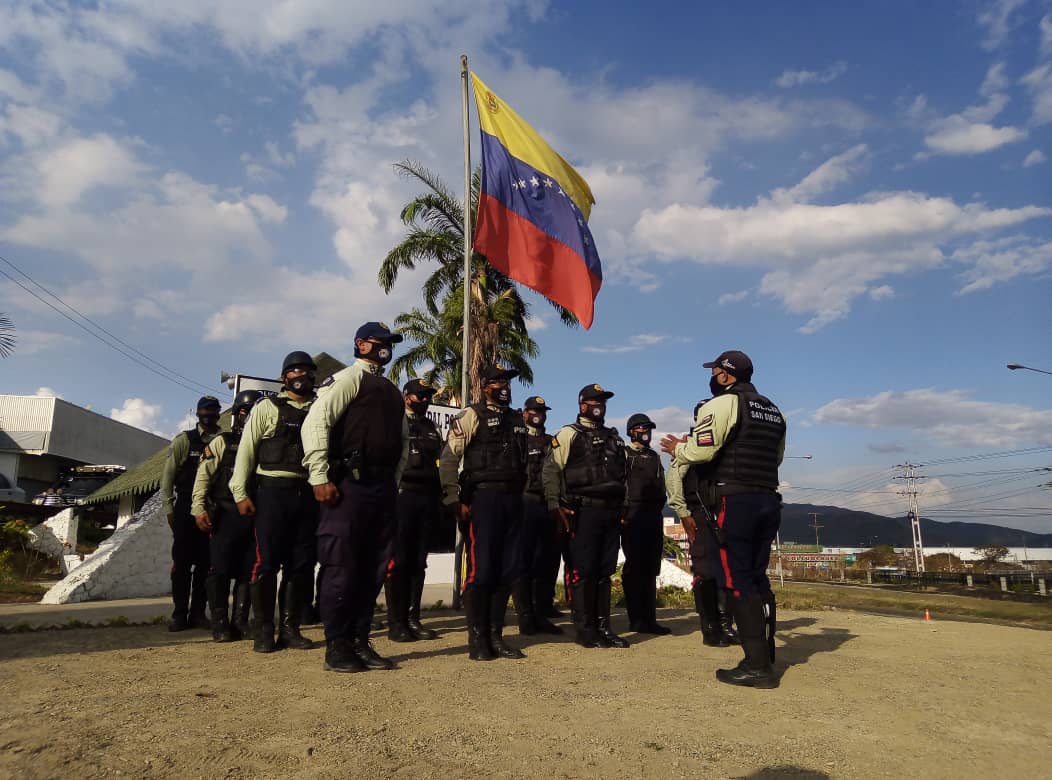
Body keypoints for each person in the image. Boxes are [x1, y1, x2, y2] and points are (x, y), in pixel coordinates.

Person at [660, 350, 785, 689]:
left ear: (726, 376)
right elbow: (778, 457)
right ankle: (767, 652)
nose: (712, 376)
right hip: (768, 499)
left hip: (735, 501)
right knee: (758, 578)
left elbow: (702, 450)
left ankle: (756, 666)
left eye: (715, 371)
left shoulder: (721, 405)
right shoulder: (773, 410)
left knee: (734, 579)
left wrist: (677, 450)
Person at [302, 322, 408, 673]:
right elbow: (316, 423)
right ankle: (337, 644)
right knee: (342, 566)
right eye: (380, 343)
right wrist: (318, 475)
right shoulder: (348, 379)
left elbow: (403, 443)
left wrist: (393, 482)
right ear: (361, 344)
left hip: (381, 489)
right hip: (349, 486)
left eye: (390, 344)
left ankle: (361, 640)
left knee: (373, 568)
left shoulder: (392, 391)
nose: (385, 349)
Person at [230, 352, 319, 654]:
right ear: (284, 377)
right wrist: (240, 493)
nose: (302, 376)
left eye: (307, 371)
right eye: (295, 371)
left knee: (300, 565)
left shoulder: (319, 408)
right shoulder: (267, 408)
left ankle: (291, 629)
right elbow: (246, 450)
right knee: (266, 563)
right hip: (271, 491)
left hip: (307, 493)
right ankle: (263, 629)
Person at [441, 364, 527, 662]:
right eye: (499, 381)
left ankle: (496, 636)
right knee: (482, 570)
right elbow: (449, 459)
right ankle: (477, 638)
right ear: (486, 385)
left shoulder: (517, 419)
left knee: (508, 570)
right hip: (483, 499)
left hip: (513, 500)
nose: (505, 386)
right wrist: (453, 498)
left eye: (508, 381)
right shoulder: (471, 415)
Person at [542, 384, 628, 649]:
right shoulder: (568, 434)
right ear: (582, 405)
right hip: (583, 512)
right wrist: (554, 504)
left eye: (602, 401)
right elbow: (550, 471)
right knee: (584, 571)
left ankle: (604, 626)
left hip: (610, 512)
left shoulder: (614, 437)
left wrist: (624, 507)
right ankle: (585, 629)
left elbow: (622, 475)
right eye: (594, 401)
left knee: (605, 572)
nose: (599, 405)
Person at [191, 390, 262, 642]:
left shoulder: (264, 446)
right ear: (236, 415)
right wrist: (198, 508)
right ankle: (220, 623)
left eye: (254, 411)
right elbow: (203, 477)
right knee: (219, 569)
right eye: (244, 411)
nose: (249, 416)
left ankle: (240, 622)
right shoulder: (222, 442)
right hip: (224, 514)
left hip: (253, 517)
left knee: (247, 571)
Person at [666, 429, 738, 648]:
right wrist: (683, 513)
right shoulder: (690, 449)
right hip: (700, 517)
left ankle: (726, 625)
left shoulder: (727, 449)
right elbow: (673, 480)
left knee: (727, 572)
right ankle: (709, 628)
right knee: (705, 572)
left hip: (726, 516)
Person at [385, 378, 443, 643]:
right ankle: (395, 623)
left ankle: (413, 619)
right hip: (401, 496)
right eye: (419, 396)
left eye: (427, 396)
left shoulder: (431, 427)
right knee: (399, 562)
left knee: (419, 562)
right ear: (406, 396)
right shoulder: (395, 421)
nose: (424, 400)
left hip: (426, 497)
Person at [160, 395, 221, 632]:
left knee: (206, 565)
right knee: (182, 564)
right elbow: (167, 477)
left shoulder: (222, 440)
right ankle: (179, 614)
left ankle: (198, 613)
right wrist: (168, 508)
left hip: (212, 509)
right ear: (198, 413)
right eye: (205, 410)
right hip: (185, 508)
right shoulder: (185, 440)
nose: (209, 414)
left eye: (213, 410)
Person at [515, 396, 563, 636]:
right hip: (524, 504)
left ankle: (542, 612)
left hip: (548, 506)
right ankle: (525, 616)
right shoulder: (517, 438)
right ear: (525, 413)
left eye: (542, 411)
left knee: (546, 562)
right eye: (534, 410)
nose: (539, 414)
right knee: (523, 562)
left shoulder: (550, 441)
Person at [621, 413, 671, 635]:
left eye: (648, 428)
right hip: (632, 515)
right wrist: (622, 513)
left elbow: (662, 486)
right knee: (635, 567)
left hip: (653, 516)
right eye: (641, 428)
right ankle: (636, 619)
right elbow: (619, 483)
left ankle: (650, 619)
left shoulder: (654, 456)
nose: (646, 432)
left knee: (651, 569)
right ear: (632, 431)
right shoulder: (624, 454)